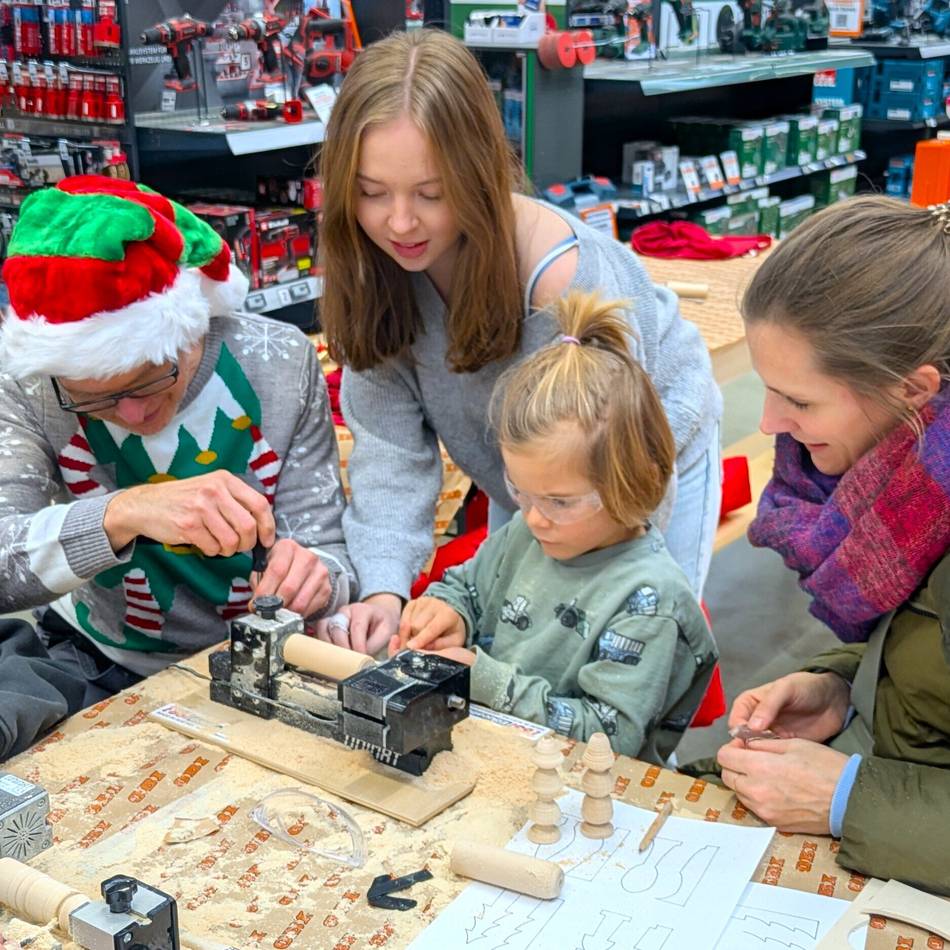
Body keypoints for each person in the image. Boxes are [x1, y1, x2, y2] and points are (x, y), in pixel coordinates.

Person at [316, 28, 722, 653]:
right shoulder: (374, 270)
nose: (399, 222)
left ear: (477, 173)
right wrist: (383, 590)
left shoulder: (558, 276)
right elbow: (391, 449)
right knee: (514, 655)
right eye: (372, 194)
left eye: (430, 193)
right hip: (529, 477)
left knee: (624, 654)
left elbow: (622, 467)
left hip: (638, 459)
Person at [0, 175, 354, 760]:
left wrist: (319, 578)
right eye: (96, 398)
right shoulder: (30, 386)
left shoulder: (280, 359)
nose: (134, 413)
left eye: (150, 379)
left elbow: (330, 550)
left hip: (262, 665)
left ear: (193, 325)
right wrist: (121, 512)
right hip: (95, 661)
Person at [714, 196, 950, 894]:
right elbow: (923, 649)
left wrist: (847, 796)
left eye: (802, 402)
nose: (767, 421)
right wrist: (844, 686)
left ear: (913, 390)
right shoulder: (911, 493)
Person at [387, 292, 717, 761]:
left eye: (560, 501)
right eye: (520, 490)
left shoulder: (650, 601)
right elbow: (467, 588)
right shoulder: (529, 532)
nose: (535, 516)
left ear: (630, 483)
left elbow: (609, 739)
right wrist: (448, 613)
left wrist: (481, 679)